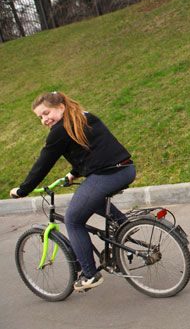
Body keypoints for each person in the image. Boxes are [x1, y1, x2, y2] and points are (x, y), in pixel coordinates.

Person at [10, 92, 135, 292]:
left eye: (46, 113)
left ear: (60, 106)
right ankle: (125, 226)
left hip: (108, 174)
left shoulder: (59, 131)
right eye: (40, 117)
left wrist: (23, 190)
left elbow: (43, 163)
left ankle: (90, 274)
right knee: (92, 198)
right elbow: (93, 150)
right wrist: (74, 174)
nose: (44, 120)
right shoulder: (84, 116)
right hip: (126, 169)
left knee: (73, 220)